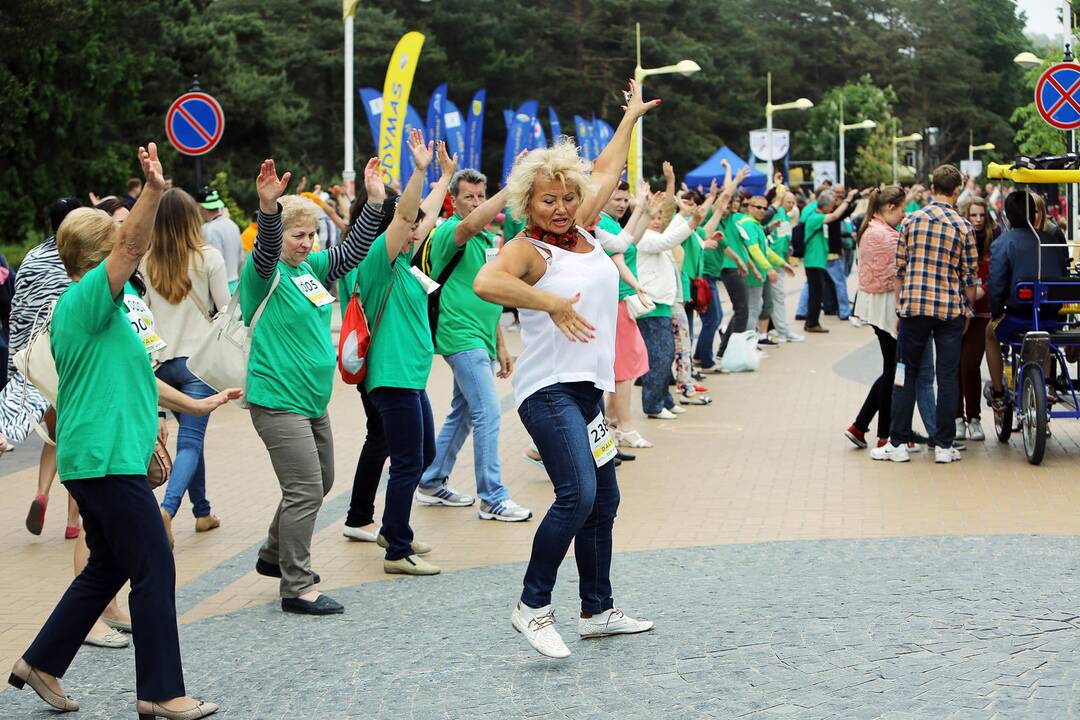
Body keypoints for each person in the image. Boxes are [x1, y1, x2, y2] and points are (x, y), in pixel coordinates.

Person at [8, 143, 237, 720]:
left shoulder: (106, 308)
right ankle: (160, 692)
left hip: (103, 457)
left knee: (108, 565)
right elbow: (135, 242)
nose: (129, 246)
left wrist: (196, 404)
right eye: (116, 240)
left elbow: (140, 375)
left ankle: (40, 663)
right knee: (155, 564)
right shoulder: (87, 296)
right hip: (104, 458)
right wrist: (154, 192)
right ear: (99, 252)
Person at [474, 79, 657, 659]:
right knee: (575, 495)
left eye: (565, 198)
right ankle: (532, 607)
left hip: (585, 396)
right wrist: (550, 303)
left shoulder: (583, 232)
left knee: (605, 501)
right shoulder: (531, 248)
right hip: (547, 392)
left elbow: (604, 168)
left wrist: (627, 118)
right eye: (546, 200)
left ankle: (597, 610)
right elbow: (487, 282)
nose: (558, 208)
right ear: (528, 204)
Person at [244, 154, 383, 614]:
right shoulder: (264, 274)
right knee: (304, 489)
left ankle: (272, 553)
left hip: (310, 401)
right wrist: (269, 212)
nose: (306, 243)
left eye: (311, 235)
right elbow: (265, 249)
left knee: (320, 481)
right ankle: (297, 584)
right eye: (296, 235)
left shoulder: (310, 269)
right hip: (277, 400)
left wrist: (375, 202)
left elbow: (352, 251)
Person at [346, 131, 454, 576]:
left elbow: (422, 216)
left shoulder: (404, 263)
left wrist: (445, 176)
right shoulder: (378, 261)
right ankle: (397, 550)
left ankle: (392, 527)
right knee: (409, 462)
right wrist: (420, 171)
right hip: (391, 378)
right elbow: (409, 213)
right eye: (407, 227)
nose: (417, 230)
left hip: (410, 378)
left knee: (422, 456)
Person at [415, 167, 532, 522]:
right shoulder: (452, 230)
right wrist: (509, 189)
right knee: (488, 413)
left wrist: (499, 343)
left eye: (481, 197)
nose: (477, 203)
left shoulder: (484, 242)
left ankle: (432, 481)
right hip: (459, 336)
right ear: (453, 200)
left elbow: (488, 293)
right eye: (469, 197)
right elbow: (468, 225)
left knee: (464, 412)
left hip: (479, 337)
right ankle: (493, 497)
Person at [871, 165, 978, 464]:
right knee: (946, 378)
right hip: (949, 311)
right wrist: (967, 312)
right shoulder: (963, 226)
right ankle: (944, 445)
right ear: (957, 191)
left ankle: (898, 442)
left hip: (914, 309)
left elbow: (900, 269)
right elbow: (969, 276)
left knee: (905, 374)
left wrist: (899, 308)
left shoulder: (911, 221)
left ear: (932, 187)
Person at [145, 188, 231, 545]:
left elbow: (145, 320)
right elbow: (225, 310)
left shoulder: (146, 263)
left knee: (190, 443)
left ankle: (203, 511)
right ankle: (166, 511)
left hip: (161, 366)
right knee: (191, 444)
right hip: (198, 365)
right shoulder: (208, 258)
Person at [3, 197, 82, 538]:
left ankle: (41, 492)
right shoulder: (85, 257)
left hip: (40, 361)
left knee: (54, 434)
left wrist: (16, 369)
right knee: (77, 436)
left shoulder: (33, 258)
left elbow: (17, 314)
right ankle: (72, 521)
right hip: (75, 359)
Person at [984, 190, 1070, 416]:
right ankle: (1047, 384)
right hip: (1049, 319)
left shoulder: (1003, 243)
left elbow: (996, 285)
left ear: (1008, 216)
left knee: (989, 333)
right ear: (1035, 215)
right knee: (1045, 337)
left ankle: (999, 393)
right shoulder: (1052, 241)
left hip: (1016, 319)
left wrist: (995, 312)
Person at [845, 185, 907, 448]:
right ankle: (883, 434)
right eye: (902, 209)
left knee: (890, 369)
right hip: (886, 307)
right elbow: (898, 275)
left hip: (872, 304)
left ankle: (861, 426)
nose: (905, 215)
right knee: (893, 372)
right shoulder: (887, 236)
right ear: (890, 208)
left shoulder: (869, 229)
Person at [955, 196, 997, 441]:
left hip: (982, 313)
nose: (979, 220)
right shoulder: (958, 239)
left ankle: (974, 418)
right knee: (953, 367)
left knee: (970, 365)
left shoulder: (995, 241)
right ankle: (958, 417)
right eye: (974, 215)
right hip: (957, 310)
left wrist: (983, 290)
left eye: (982, 215)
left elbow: (998, 273)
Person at [802, 188, 858, 333]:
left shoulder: (816, 216)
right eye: (831, 204)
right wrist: (847, 200)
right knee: (815, 293)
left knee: (816, 292)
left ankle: (811, 321)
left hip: (818, 260)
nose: (832, 207)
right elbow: (834, 216)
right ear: (825, 206)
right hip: (814, 261)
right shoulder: (815, 217)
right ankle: (812, 323)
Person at [198, 188, 245, 293]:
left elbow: (213, 263)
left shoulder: (209, 229)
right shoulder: (233, 225)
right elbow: (241, 258)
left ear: (200, 207)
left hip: (219, 288)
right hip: (235, 286)